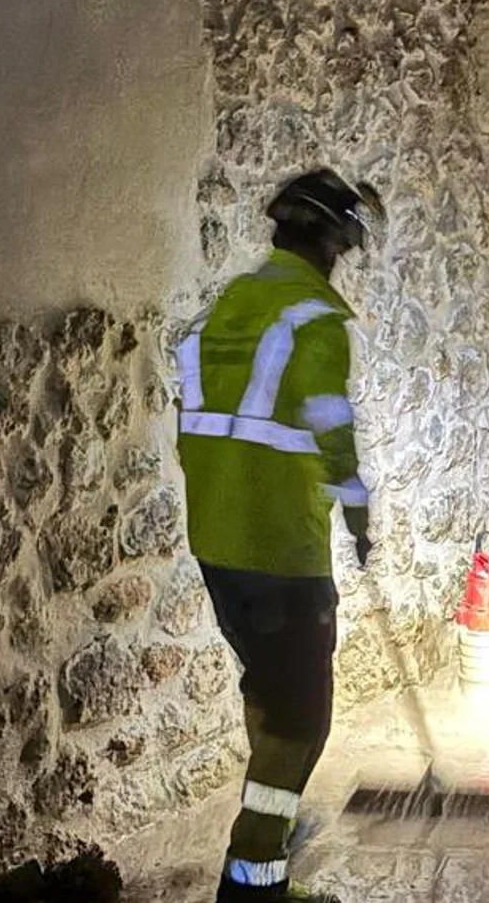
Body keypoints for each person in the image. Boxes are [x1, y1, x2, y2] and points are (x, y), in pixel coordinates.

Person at [176, 168, 384, 903]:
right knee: (300, 721)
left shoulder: (225, 309)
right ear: (333, 241)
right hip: (281, 549)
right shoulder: (311, 317)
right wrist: (358, 519)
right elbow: (334, 432)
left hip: (218, 543)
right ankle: (253, 879)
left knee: (271, 700)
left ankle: (266, 866)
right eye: (346, 244)